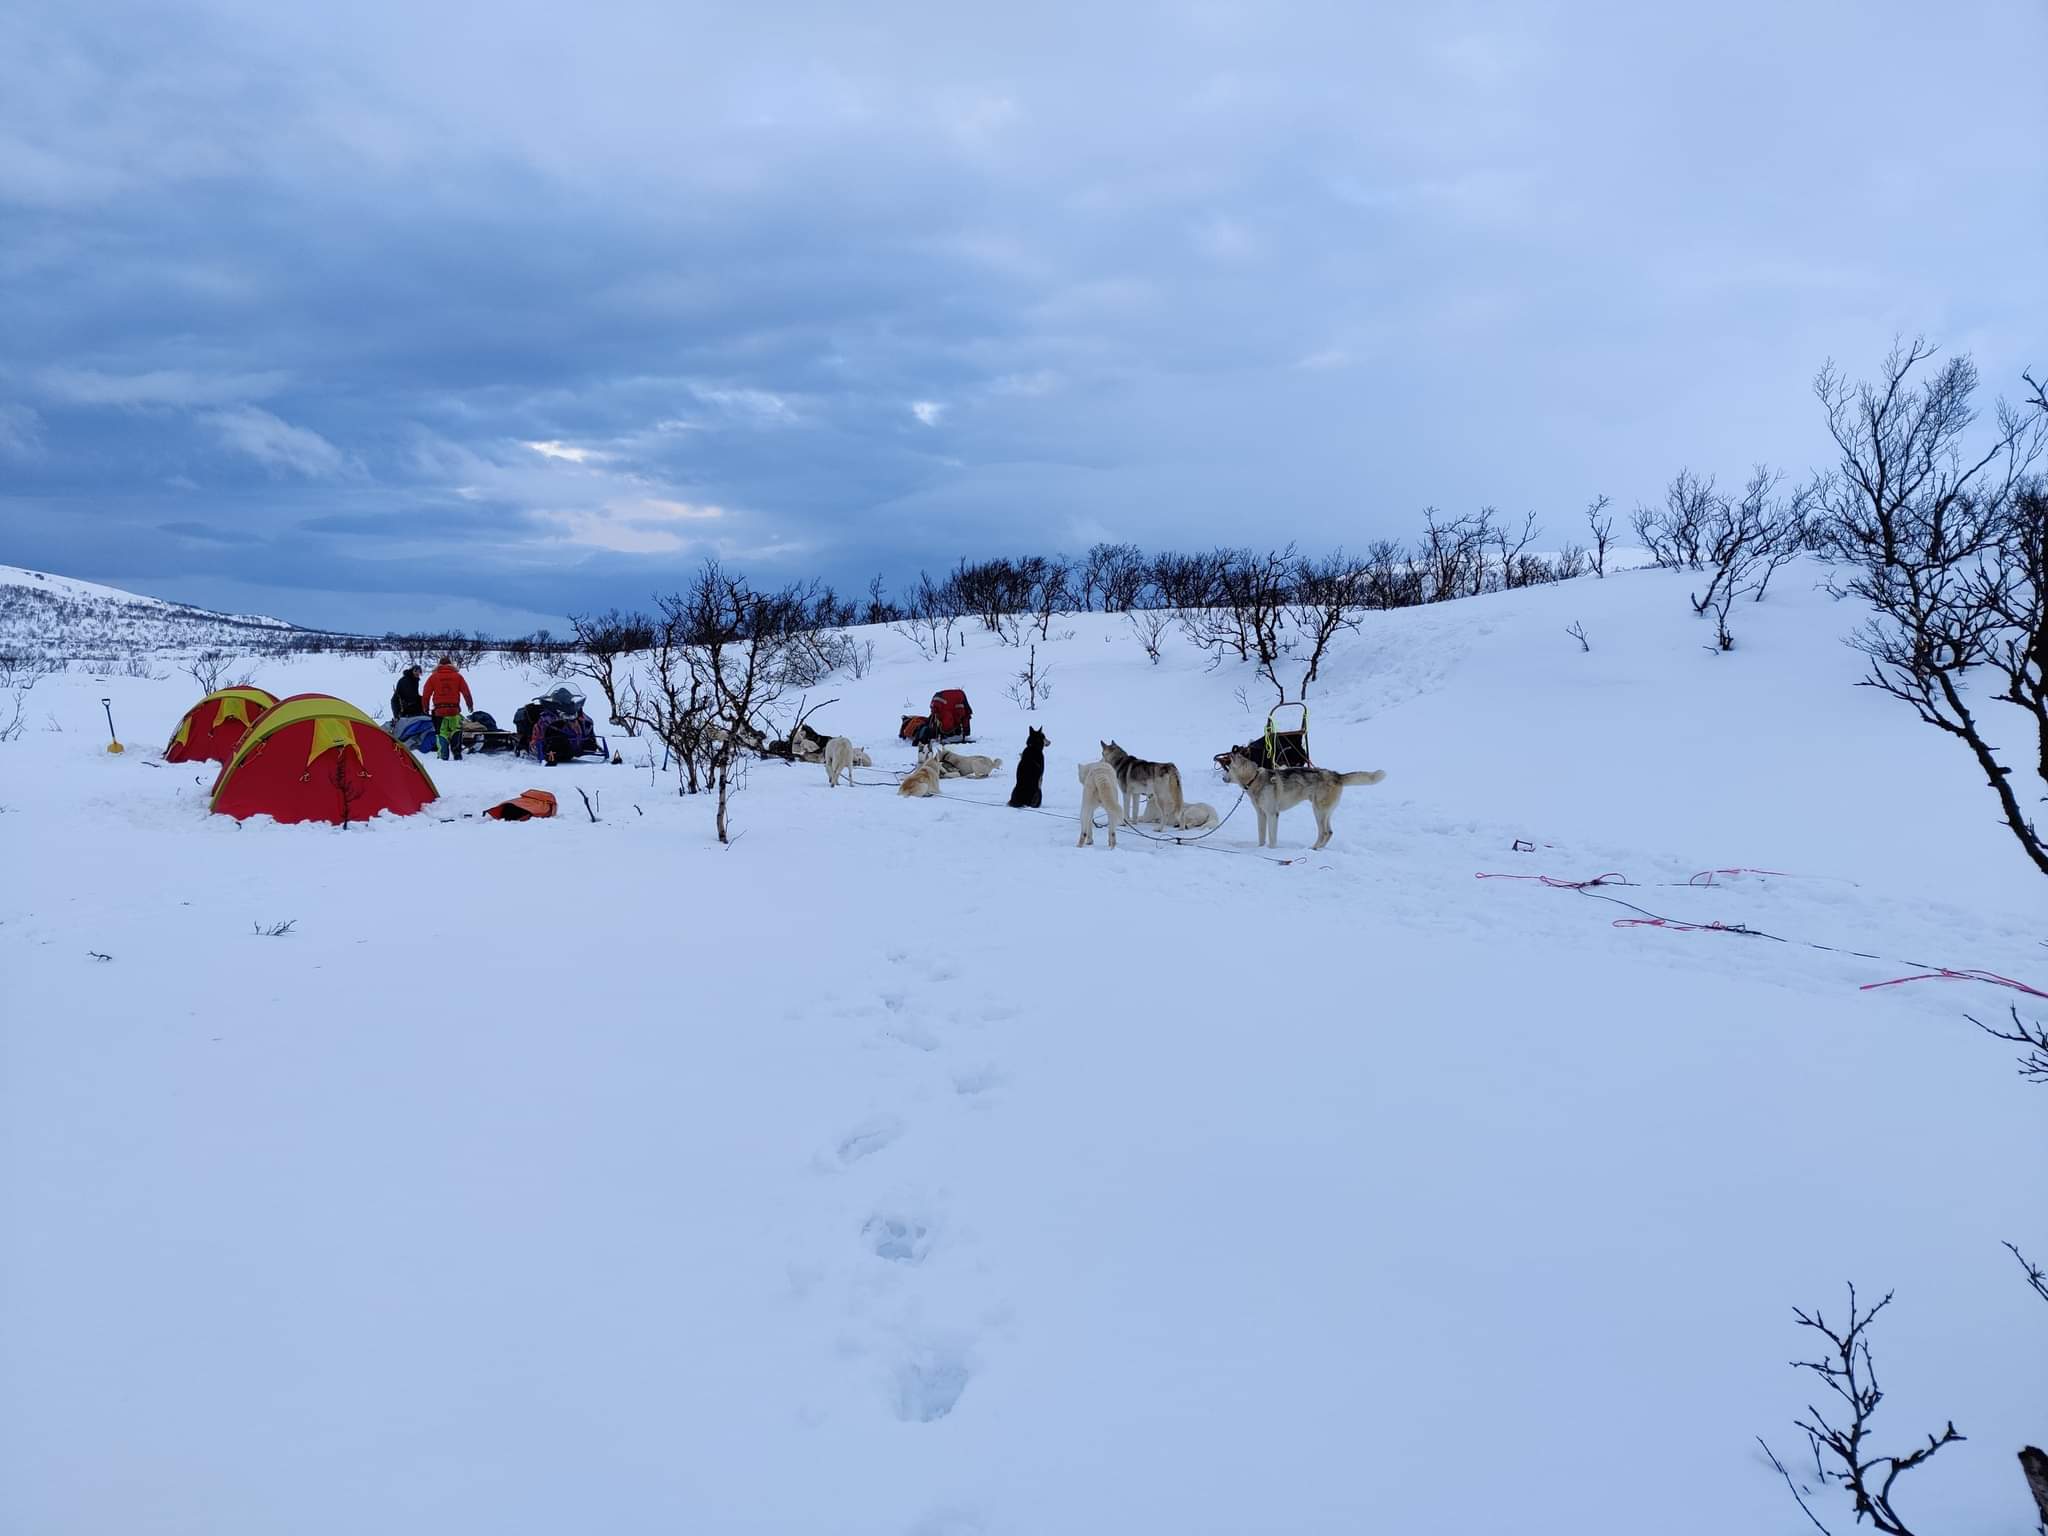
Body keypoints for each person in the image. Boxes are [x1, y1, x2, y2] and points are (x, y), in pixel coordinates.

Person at [421, 654, 474, 761]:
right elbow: (466, 692)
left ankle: (443, 755)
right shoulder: (458, 677)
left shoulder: (433, 677)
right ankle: (457, 753)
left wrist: (425, 708)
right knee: (455, 731)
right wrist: (470, 705)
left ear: (439, 665)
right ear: (451, 664)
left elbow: (426, 694)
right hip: (454, 710)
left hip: (439, 711)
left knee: (441, 733)